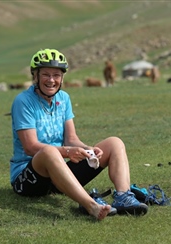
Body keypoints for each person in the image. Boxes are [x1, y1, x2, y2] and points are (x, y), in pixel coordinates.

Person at [10, 48, 148, 220]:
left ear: (62, 78)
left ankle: (124, 197)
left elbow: (71, 139)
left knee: (114, 143)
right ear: (35, 76)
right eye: (45, 74)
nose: (51, 80)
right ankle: (91, 206)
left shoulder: (64, 98)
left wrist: (87, 149)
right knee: (49, 151)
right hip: (28, 178)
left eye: (56, 75)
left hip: (58, 176)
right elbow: (30, 147)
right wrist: (67, 152)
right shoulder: (23, 101)